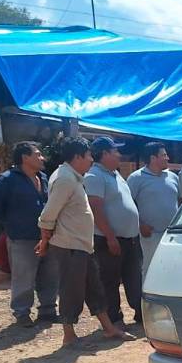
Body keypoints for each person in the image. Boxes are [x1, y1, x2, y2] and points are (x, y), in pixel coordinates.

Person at [36, 137, 133, 348]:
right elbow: (48, 214)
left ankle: (109, 329)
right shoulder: (64, 179)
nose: (91, 159)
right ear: (78, 156)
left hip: (82, 245)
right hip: (69, 245)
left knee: (94, 288)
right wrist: (44, 241)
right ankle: (69, 334)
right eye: (89, 155)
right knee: (72, 290)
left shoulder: (75, 177)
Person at [0, 141, 60, 326]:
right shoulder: (7, 180)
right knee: (24, 276)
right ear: (25, 157)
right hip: (22, 237)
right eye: (37, 154)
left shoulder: (42, 178)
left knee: (49, 274)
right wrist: (12, 224)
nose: (42, 157)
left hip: (47, 236)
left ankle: (48, 310)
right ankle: (22, 313)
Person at [85, 136, 143, 327]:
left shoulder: (115, 174)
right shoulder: (94, 176)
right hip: (110, 239)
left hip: (130, 239)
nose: (119, 154)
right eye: (115, 151)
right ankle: (114, 319)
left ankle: (140, 313)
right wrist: (110, 237)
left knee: (134, 277)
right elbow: (96, 208)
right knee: (110, 282)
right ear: (104, 154)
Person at [128, 142, 180, 276]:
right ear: (153, 158)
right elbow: (128, 205)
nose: (168, 158)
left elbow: (181, 200)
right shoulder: (136, 178)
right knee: (150, 269)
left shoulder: (173, 177)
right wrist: (140, 225)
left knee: (172, 268)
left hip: (172, 235)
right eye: (164, 155)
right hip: (150, 236)